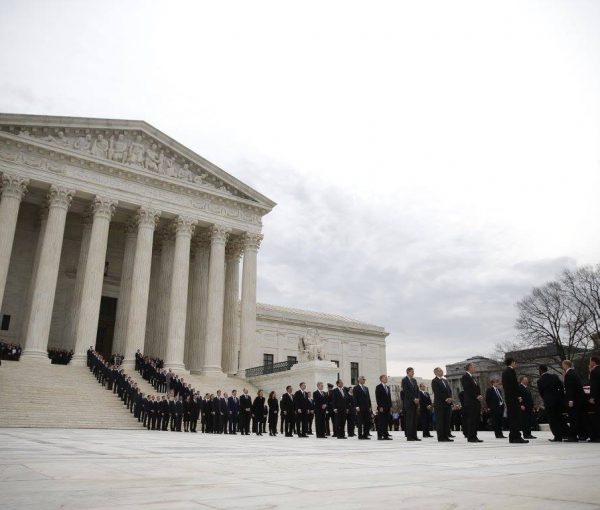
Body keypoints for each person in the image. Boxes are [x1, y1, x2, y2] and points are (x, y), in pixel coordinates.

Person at [501, 357, 528, 444]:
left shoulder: (505, 372)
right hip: (513, 399)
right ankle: (516, 437)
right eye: (515, 362)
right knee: (515, 418)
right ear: (512, 362)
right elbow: (513, 386)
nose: (515, 364)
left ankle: (513, 437)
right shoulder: (510, 371)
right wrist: (518, 396)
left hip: (509, 398)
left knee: (512, 418)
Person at [537, 364, 565, 442]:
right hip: (558, 401)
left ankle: (557, 436)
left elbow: (541, 393)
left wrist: (546, 399)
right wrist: (560, 397)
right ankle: (565, 434)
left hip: (549, 403)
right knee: (560, 418)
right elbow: (561, 386)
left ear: (540, 370)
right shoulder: (554, 377)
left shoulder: (540, 381)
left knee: (553, 420)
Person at [562, 359, 586, 442]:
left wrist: (570, 400)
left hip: (573, 400)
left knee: (573, 418)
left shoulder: (569, 374)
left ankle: (573, 436)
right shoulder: (574, 373)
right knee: (578, 418)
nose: (562, 366)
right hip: (579, 400)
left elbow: (570, 389)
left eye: (563, 365)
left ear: (566, 365)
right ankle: (581, 434)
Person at [461, 362, 483, 442]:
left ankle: (474, 436)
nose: (475, 368)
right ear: (469, 368)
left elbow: (476, 388)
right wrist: (476, 395)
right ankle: (471, 437)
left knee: (475, 419)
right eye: (474, 367)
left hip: (475, 401)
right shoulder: (465, 377)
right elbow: (468, 389)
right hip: (470, 402)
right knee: (471, 420)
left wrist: (479, 395)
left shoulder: (472, 377)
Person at [431, 367, 453, 442]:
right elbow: (437, 392)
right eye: (440, 371)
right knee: (440, 421)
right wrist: (445, 399)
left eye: (442, 370)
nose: (442, 371)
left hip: (447, 404)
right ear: (436, 372)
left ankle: (446, 436)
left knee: (447, 421)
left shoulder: (445, 380)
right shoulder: (434, 381)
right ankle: (441, 437)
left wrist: (450, 398)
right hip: (440, 404)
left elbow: (449, 390)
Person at [402, 367, 421, 441]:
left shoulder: (414, 380)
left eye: (413, 371)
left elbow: (417, 390)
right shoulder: (404, 380)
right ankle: (409, 436)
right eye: (412, 372)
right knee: (409, 420)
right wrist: (414, 399)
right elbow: (406, 392)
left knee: (414, 420)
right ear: (408, 372)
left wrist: (418, 398)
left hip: (415, 403)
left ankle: (414, 436)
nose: (413, 373)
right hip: (409, 403)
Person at [375, 374, 393, 440]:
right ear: (381, 379)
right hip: (382, 407)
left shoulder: (387, 387)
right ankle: (379, 436)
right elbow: (378, 398)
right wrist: (380, 406)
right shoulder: (378, 387)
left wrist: (390, 406)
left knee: (386, 422)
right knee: (381, 422)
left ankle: (385, 435)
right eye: (385, 378)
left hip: (387, 407)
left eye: (386, 378)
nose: (386, 379)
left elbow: (389, 397)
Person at [588, 356, 600, 442]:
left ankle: (597, 436)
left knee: (597, 417)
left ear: (594, 362)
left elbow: (594, 386)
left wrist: (592, 397)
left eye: (590, 361)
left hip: (597, 397)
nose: (589, 363)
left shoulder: (594, 372)